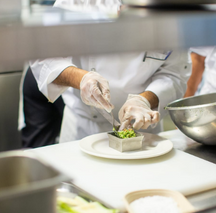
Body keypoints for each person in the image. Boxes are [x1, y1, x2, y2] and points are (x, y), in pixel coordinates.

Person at [29, 50, 191, 143]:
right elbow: (44, 57)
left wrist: (144, 100)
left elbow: (174, 73)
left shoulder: (169, 4)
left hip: (143, 129)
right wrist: (82, 79)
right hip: (82, 127)